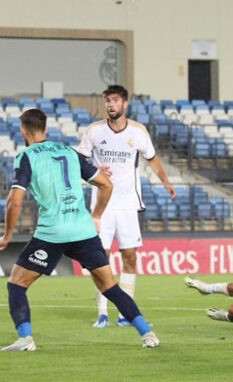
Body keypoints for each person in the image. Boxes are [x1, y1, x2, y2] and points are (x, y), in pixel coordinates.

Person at [0, 109, 159, 351]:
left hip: (52, 232)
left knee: (17, 284)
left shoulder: (27, 156)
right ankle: (148, 333)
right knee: (110, 287)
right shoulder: (68, 151)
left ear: (23, 130)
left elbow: (14, 200)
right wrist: (96, 215)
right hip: (83, 229)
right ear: (46, 129)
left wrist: (8, 234)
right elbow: (105, 184)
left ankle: (25, 338)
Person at [76, 85, 177, 328]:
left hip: (128, 204)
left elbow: (152, 158)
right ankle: (102, 313)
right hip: (101, 205)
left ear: (125, 104)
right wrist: (95, 170)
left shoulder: (139, 132)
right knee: (101, 259)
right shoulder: (94, 131)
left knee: (130, 257)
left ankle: (125, 313)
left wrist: (166, 183)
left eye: (115, 100)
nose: (110, 104)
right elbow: (79, 159)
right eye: (107, 101)